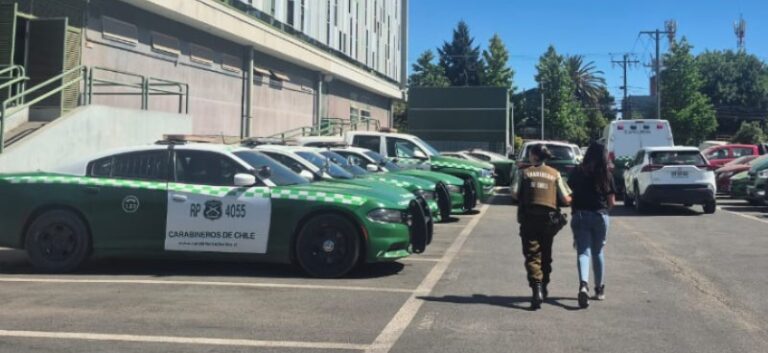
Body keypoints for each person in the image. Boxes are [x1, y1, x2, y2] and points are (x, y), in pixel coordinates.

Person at [516, 144, 571, 310]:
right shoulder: (555, 174)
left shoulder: (524, 173)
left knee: (533, 255)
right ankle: (544, 286)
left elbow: (514, 192)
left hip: (529, 219)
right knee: (546, 253)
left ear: (533, 156)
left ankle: (537, 289)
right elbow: (566, 199)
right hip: (549, 221)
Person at [567, 142, 616, 309]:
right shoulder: (606, 174)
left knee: (583, 252)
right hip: (600, 215)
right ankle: (599, 289)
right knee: (598, 251)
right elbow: (612, 201)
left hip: (580, 215)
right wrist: (604, 212)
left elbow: (570, 191)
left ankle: (583, 285)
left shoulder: (578, 172)